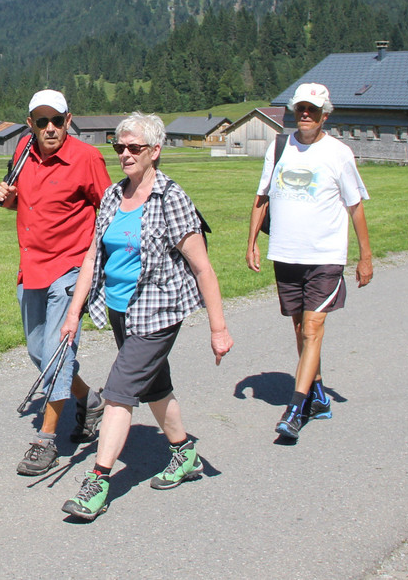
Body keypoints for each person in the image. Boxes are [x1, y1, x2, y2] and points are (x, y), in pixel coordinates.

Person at [58, 112, 233, 520]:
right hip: (121, 309)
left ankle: (97, 483)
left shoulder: (171, 198)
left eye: (133, 147)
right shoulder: (112, 196)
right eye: (118, 146)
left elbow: (203, 267)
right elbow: (91, 258)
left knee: (119, 391)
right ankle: (184, 453)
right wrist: (73, 313)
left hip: (158, 311)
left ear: (155, 151)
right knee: (154, 385)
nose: (124, 154)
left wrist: (219, 328)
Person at [0, 89, 112, 476]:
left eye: (57, 121)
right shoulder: (22, 151)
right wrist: (7, 199)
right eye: (42, 121)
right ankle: (90, 401)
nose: (49, 128)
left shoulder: (87, 158)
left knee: (57, 352)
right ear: (30, 124)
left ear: (68, 121)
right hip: (31, 268)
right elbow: (20, 202)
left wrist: (98, 263)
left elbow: (109, 209)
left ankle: (46, 441)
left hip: (71, 269)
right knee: (38, 352)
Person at [246, 83, 373, 441]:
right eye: (301, 108)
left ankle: (295, 409)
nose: (305, 114)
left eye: (313, 110)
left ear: (324, 115)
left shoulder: (339, 153)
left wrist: (365, 256)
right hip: (286, 254)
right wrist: (251, 242)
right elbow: (261, 197)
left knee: (313, 329)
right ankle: (318, 396)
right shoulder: (279, 147)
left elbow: (355, 206)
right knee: (301, 328)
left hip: (324, 257)